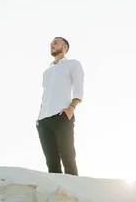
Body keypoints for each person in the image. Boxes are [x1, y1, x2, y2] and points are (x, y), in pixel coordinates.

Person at [36, 37, 85, 175]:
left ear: (64, 47)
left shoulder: (73, 64)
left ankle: (74, 193)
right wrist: (39, 118)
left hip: (62, 115)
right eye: (51, 43)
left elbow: (78, 87)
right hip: (43, 120)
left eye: (55, 43)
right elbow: (45, 96)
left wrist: (72, 108)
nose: (52, 45)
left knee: (68, 156)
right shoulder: (47, 72)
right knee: (51, 161)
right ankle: (58, 195)